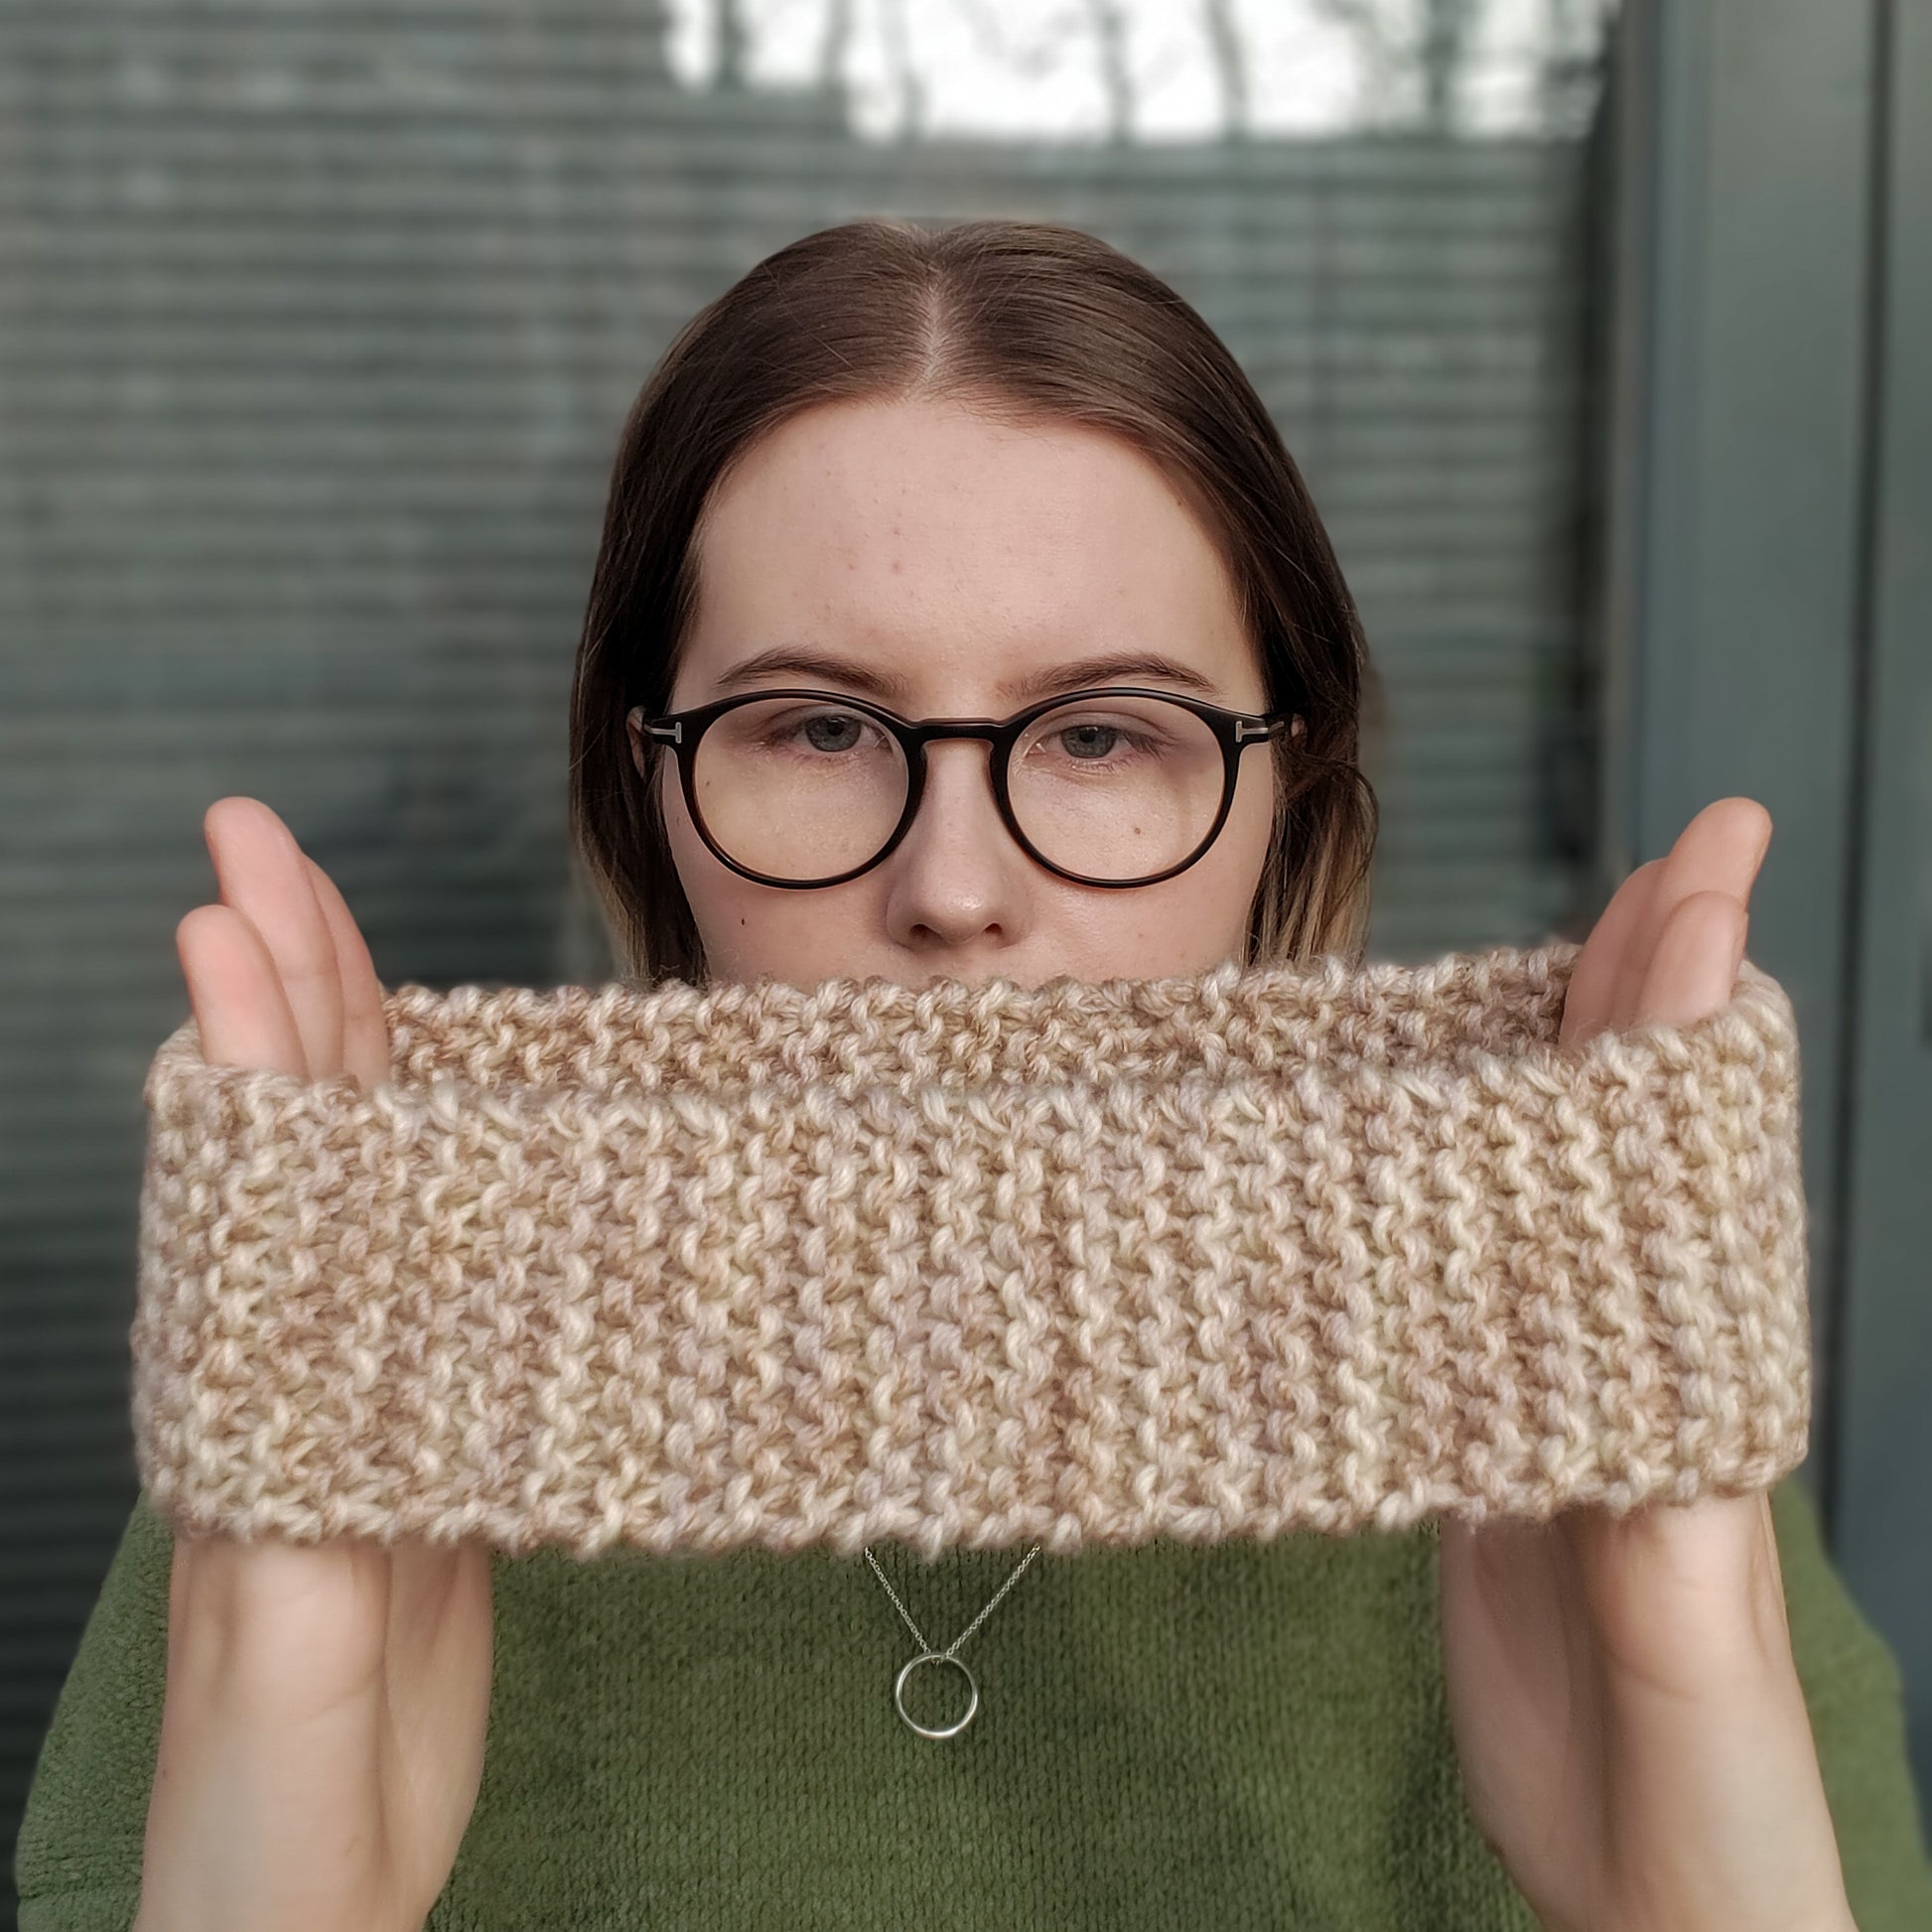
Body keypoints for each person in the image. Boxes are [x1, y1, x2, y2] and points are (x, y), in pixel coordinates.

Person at [16, 217, 1932, 1932]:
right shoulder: (346, 1432)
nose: (953, 888)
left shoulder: (1593, 1450)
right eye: (820, 725)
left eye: (1102, 734)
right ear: (650, 789)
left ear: (1286, 791)